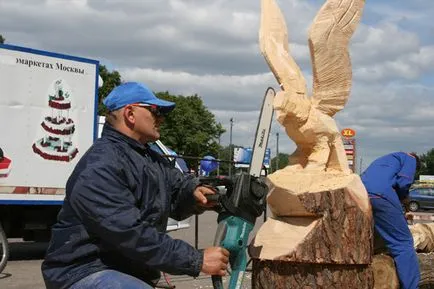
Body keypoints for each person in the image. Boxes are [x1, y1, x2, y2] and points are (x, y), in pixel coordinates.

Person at [41, 82, 229, 289]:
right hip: (84, 270)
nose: (161, 119)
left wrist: (195, 193)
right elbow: (130, 234)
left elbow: (177, 187)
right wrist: (196, 259)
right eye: (155, 111)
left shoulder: (149, 159)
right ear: (130, 113)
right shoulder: (101, 166)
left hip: (123, 268)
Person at [361, 152, 421, 289]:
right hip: (380, 194)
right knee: (403, 243)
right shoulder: (410, 158)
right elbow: (403, 182)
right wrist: (403, 199)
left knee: (377, 236)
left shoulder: (383, 159)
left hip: (361, 194)